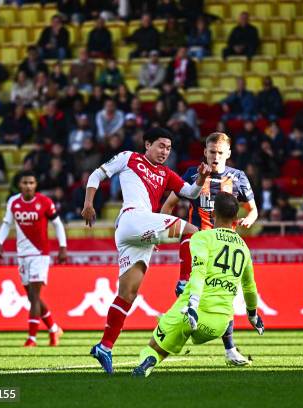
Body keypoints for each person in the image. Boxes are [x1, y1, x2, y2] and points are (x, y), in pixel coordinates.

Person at [83, 127, 210, 374]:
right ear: (148, 144)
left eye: (169, 148)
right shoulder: (130, 157)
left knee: (127, 294)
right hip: (133, 219)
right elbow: (96, 176)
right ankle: (184, 282)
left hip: (139, 235)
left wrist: (201, 179)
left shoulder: (166, 173)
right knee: (193, 231)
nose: (165, 152)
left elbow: (191, 193)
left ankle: (105, 346)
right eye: (161, 146)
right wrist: (88, 203)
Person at [132, 192, 264, 377]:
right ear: (236, 218)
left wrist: (193, 306)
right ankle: (228, 349)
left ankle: (150, 360)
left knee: (155, 346)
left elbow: (199, 273)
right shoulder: (243, 247)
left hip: (191, 313)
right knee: (179, 326)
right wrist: (253, 315)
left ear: (212, 214)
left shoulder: (201, 238)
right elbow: (250, 287)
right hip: (219, 325)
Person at [160, 132, 258, 366]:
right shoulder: (193, 175)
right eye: (212, 152)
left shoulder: (238, 178)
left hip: (225, 245)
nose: (215, 157)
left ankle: (229, 349)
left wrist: (250, 219)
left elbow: (253, 209)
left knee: (223, 296)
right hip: (198, 240)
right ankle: (175, 330)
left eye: (220, 153)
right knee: (184, 287)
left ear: (229, 154)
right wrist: (161, 232)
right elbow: (169, 205)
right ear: (205, 151)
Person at [0, 171, 67, 347]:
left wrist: (62, 247)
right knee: (31, 297)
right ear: (20, 185)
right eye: (25, 183)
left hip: (40, 254)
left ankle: (32, 338)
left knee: (34, 296)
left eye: (31, 182)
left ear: (35, 185)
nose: (28, 186)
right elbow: (6, 224)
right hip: (22, 255)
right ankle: (54, 329)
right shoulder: (13, 202)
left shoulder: (44, 202)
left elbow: (57, 224)